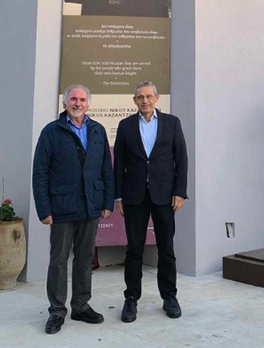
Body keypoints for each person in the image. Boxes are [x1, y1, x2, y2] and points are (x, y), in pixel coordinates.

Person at [32, 85, 114, 335]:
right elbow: (40, 171)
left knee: (85, 258)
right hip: (62, 206)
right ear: (65, 103)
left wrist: (107, 202)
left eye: (82, 99)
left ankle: (80, 306)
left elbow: (106, 169)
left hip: (91, 205)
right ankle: (57, 311)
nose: (78, 103)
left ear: (88, 104)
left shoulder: (98, 130)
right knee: (58, 261)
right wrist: (44, 209)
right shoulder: (51, 131)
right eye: (73, 99)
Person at [114, 81, 188, 322]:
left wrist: (180, 192)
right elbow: (119, 164)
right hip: (134, 197)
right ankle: (131, 299)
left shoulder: (172, 123)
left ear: (156, 98)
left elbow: (181, 159)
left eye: (148, 96)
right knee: (134, 249)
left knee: (166, 248)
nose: (144, 101)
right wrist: (118, 196)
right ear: (134, 101)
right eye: (140, 97)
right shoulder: (125, 125)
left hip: (164, 196)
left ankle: (170, 297)